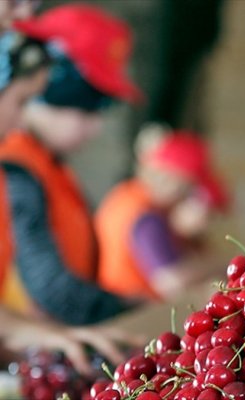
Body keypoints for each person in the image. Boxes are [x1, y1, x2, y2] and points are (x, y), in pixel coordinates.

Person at [0, 4, 142, 326]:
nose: (95, 127)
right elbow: (49, 285)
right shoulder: (18, 168)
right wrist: (129, 308)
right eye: (87, 108)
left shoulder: (51, 167)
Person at [96, 125, 230, 300]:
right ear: (173, 180)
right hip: (128, 312)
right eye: (190, 189)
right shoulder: (147, 217)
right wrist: (223, 264)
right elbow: (170, 281)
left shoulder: (128, 194)